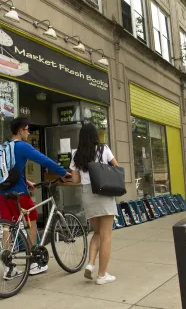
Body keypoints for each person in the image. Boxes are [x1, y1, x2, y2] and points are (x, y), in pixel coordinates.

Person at [0, 117, 70, 277]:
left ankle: (8, 268)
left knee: (7, 227)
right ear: (20, 131)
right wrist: (63, 172)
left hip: (4, 193)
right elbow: (43, 160)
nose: (28, 132)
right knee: (32, 220)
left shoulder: (4, 146)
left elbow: (9, 169)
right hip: (20, 194)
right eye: (27, 129)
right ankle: (33, 263)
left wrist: (26, 180)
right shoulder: (22, 146)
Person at [69, 122, 118, 285]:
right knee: (106, 236)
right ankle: (102, 275)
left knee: (97, 232)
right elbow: (116, 167)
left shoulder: (76, 154)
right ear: (95, 135)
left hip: (87, 195)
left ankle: (90, 264)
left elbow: (75, 180)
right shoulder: (103, 149)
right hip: (104, 192)